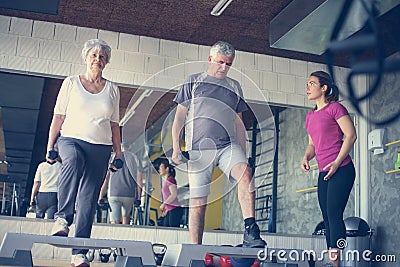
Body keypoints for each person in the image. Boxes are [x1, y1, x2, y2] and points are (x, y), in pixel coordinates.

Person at [171, 41, 266, 247]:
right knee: (199, 202)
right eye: (221, 62)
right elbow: (179, 117)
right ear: (210, 59)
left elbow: (239, 123)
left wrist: (244, 152)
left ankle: (251, 231)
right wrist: (177, 147)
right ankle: (195, 248)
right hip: (198, 150)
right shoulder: (194, 81)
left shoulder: (234, 86)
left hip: (227, 146)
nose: (224, 67)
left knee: (245, 174)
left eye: (229, 64)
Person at [46, 39, 122, 267]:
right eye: (93, 55)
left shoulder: (112, 89)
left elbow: (114, 124)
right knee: (74, 161)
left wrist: (118, 153)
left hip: (100, 147)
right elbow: (58, 117)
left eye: (102, 56)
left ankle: (79, 253)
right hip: (70, 140)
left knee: (89, 200)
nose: (97, 59)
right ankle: (62, 218)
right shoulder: (70, 83)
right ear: (85, 57)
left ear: (106, 62)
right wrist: (50, 147)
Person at [301, 71, 357, 267]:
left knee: (334, 214)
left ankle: (336, 264)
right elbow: (312, 145)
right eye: (307, 84)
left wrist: (336, 162)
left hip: (342, 169)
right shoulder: (310, 116)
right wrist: (306, 157)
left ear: (324, 88)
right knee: (326, 218)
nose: (307, 87)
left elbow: (351, 135)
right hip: (325, 171)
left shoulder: (335, 108)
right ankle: (333, 262)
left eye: (312, 83)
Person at [98, 143, 143, 225]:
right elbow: (139, 180)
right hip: (129, 194)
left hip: (114, 193)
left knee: (115, 221)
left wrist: (101, 196)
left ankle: (114, 236)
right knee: (126, 218)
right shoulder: (135, 158)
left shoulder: (113, 157)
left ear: (121, 146)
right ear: (130, 147)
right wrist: (139, 198)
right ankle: (125, 235)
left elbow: (106, 179)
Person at [156, 158, 183, 227]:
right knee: (166, 229)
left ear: (167, 169)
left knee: (172, 231)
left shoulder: (171, 180)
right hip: (170, 209)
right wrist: (166, 209)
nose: (159, 169)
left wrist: (164, 204)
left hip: (174, 209)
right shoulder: (168, 181)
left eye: (161, 167)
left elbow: (174, 195)